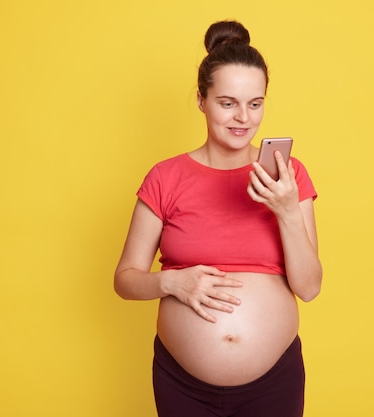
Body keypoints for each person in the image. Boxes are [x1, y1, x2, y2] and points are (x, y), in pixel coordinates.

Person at [114, 19, 322, 417]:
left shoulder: (287, 176)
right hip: (183, 384)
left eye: (255, 103)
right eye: (227, 103)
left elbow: (309, 288)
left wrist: (286, 212)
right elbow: (125, 280)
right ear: (201, 101)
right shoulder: (165, 177)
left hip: (274, 381)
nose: (243, 117)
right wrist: (172, 281)